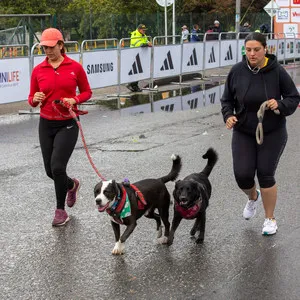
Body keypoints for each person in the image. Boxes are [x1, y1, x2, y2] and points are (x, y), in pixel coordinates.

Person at [220, 32, 300, 235]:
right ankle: (252, 197)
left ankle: (270, 218)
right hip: (244, 131)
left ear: (266, 49)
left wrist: (279, 104)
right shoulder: (237, 71)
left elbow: (293, 98)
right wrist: (228, 115)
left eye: (256, 49)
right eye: (248, 50)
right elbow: (227, 100)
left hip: (272, 131)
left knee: (265, 173)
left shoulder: (277, 71)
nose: (252, 54)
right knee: (243, 175)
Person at [28, 28, 92, 226]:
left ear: (61, 45)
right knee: (50, 171)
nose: (47, 51)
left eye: (51, 47)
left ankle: (60, 211)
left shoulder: (75, 67)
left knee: (57, 167)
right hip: (46, 123)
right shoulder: (38, 70)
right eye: (44, 47)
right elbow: (31, 99)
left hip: (68, 123)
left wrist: (74, 99)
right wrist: (34, 99)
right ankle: (72, 185)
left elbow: (87, 92)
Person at [127, 24, 152, 92]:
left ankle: (134, 85)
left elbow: (146, 41)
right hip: (134, 54)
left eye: (145, 30)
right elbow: (138, 44)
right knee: (137, 70)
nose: (144, 31)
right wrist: (147, 44)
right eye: (143, 30)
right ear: (139, 29)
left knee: (139, 71)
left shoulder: (143, 35)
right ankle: (132, 85)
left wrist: (149, 43)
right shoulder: (135, 34)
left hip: (140, 55)